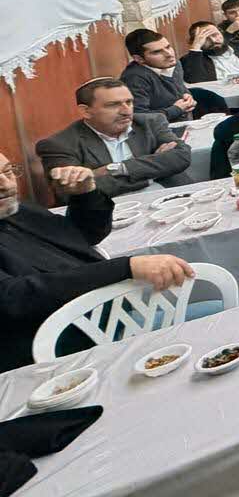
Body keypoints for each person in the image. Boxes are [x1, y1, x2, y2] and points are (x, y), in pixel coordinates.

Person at [0, 150, 198, 371]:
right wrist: (125, 268)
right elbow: (14, 297)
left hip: (116, 321)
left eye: (7, 172)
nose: (6, 184)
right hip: (60, 356)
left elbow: (83, 236)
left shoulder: (17, 209)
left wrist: (85, 195)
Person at [37, 78, 193, 197]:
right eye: (113, 105)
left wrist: (115, 169)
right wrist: (152, 169)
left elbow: (181, 156)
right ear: (86, 111)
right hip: (110, 213)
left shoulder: (150, 122)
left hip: (170, 196)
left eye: (129, 102)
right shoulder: (59, 144)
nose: (126, 111)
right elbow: (71, 192)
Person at [120, 29, 196, 123]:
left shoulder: (173, 63)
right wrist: (176, 110)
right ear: (139, 59)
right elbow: (137, 117)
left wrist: (188, 97)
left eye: (168, 47)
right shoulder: (134, 78)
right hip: (159, 130)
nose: (169, 54)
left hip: (187, 124)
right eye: (157, 52)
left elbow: (179, 90)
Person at [179, 20, 239, 84]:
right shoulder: (191, 60)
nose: (213, 40)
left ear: (221, 33)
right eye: (205, 38)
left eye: (215, 35)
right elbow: (195, 81)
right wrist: (196, 47)